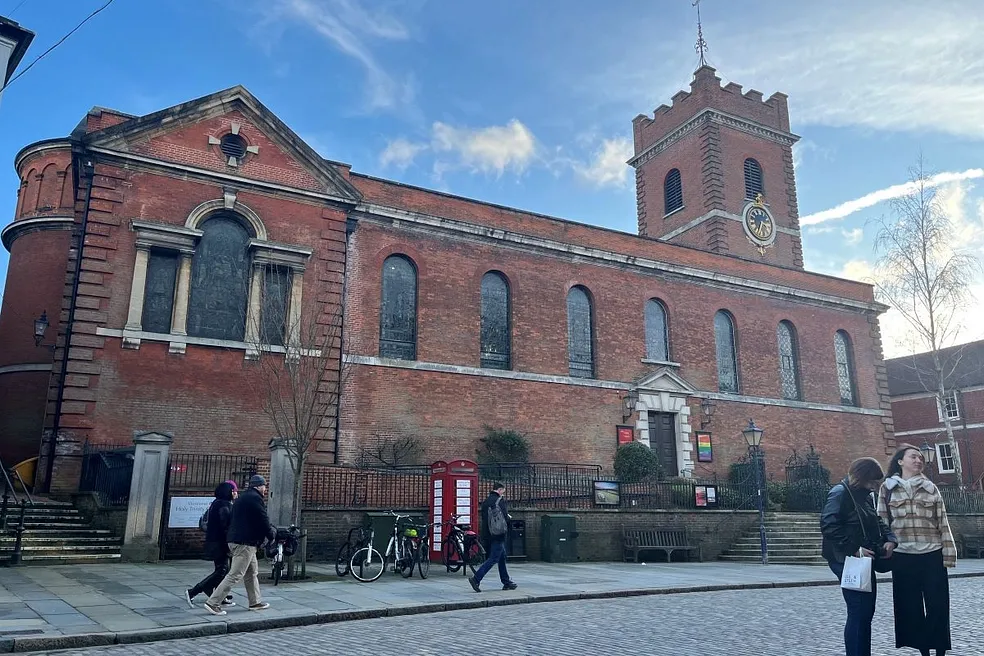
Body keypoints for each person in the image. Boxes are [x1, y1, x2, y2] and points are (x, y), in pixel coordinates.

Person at [878, 445, 956, 656]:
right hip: (903, 556)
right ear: (900, 461)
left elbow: (943, 522)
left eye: (920, 457)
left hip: (932, 554)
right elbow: (882, 521)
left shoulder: (931, 488)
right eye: (913, 456)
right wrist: (884, 546)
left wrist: (949, 554)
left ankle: (940, 650)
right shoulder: (888, 488)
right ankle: (923, 651)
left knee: (938, 606)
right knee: (910, 608)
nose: (918, 460)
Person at [821, 457, 898, 656]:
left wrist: (890, 538)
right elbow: (828, 525)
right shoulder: (840, 493)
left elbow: (877, 522)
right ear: (861, 477)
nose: (874, 487)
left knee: (865, 613)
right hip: (846, 560)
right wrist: (854, 549)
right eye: (872, 482)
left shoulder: (863, 495)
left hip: (863, 560)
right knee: (858, 612)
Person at [203, 474, 276, 615]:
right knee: (235, 574)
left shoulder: (243, 498)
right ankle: (213, 602)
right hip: (245, 543)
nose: (265, 489)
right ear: (259, 486)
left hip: (241, 541)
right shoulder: (255, 499)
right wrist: (270, 534)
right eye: (264, 486)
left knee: (252, 572)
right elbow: (262, 519)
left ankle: (255, 602)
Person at [185, 480, 238, 608]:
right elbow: (226, 526)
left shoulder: (217, 503)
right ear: (229, 492)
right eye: (234, 491)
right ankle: (193, 591)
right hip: (219, 543)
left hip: (215, 541)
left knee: (222, 570)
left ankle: (219, 596)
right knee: (221, 570)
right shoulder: (224, 505)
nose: (236, 494)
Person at [468, 482, 517, 593]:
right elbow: (504, 517)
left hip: (488, 534)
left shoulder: (486, 502)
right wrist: (509, 519)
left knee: (501, 557)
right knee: (493, 558)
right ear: (499, 490)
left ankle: (506, 582)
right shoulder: (499, 501)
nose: (502, 494)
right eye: (502, 492)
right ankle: (476, 579)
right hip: (498, 534)